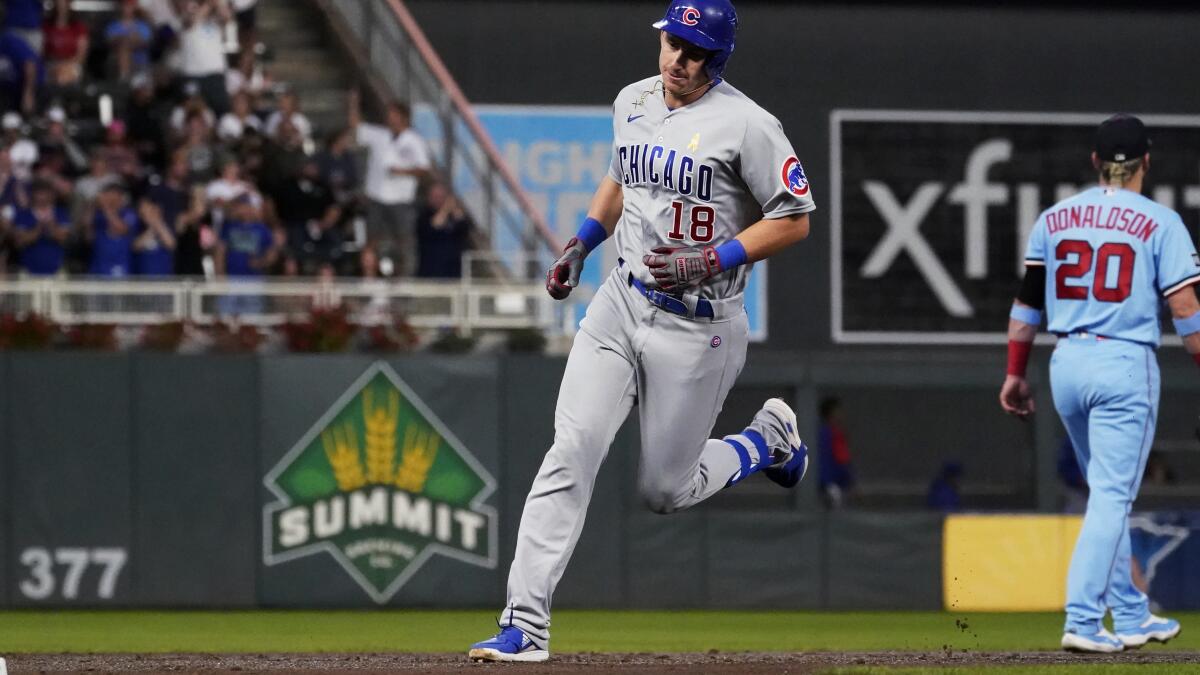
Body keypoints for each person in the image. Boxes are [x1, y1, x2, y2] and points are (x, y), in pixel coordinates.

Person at [468, 1, 813, 663]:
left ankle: (765, 439)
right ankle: (524, 623)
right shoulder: (632, 100)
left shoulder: (748, 124)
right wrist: (581, 243)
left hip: (698, 327)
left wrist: (712, 258)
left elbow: (794, 218)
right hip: (620, 303)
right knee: (571, 448)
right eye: (672, 44)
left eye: (693, 51)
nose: (677, 60)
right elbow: (621, 179)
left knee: (664, 491)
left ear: (717, 59)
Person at [1000, 114, 1194, 653]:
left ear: (1094, 162)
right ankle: (1083, 621)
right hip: (1124, 363)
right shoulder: (1160, 222)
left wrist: (1017, 370)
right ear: (1146, 163)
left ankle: (1130, 615)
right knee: (1111, 497)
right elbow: (1185, 308)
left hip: (1067, 362)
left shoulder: (1055, 217)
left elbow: (1026, 307)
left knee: (1106, 497)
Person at [347, 89, 430, 277]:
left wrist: (402, 171)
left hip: (400, 200)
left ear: (403, 117)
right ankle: (369, 279)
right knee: (371, 241)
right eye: (388, 114)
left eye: (393, 114)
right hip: (376, 197)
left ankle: (404, 283)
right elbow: (356, 127)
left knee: (404, 242)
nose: (389, 118)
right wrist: (353, 104)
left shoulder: (414, 141)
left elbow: (424, 169)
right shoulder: (380, 135)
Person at [178, 0, 232, 116]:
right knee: (191, 114)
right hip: (193, 74)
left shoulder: (214, 15)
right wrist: (209, 4)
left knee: (222, 113)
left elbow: (227, 17)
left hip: (215, 74)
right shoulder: (188, 8)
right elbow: (190, 21)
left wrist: (217, 4)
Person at [11, 180, 71, 276]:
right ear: (33, 195)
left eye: (46, 194)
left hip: (56, 269)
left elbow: (63, 239)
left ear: (52, 195)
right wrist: (38, 228)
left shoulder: (61, 213)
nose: (42, 198)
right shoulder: (23, 214)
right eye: (39, 194)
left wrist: (51, 226)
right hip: (28, 269)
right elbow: (19, 242)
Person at [416, 182, 470, 278]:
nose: (438, 200)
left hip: (453, 270)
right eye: (435, 196)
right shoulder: (424, 215)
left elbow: (464, 227)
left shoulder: (453, 215)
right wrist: (445, 209)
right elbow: (433, 227)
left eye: (441, 197)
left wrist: (455, 209)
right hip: (431, 270)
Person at [85, 181, 139, 277]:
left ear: (120, 197)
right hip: (97, 267)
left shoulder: (128, 213)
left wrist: (106, 207)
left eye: (112, 194)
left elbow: (121, 229)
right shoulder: (98, 214)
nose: (107, 197)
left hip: (119, 267)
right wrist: (92, 206)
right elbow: (87, 233)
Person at [817, 396, 855, 508]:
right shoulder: (833, 434)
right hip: (833, 484)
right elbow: (842, 459)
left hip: (827, 483)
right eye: (838, 411)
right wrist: (850, 480)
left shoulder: (821, 433)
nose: (841, 414)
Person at [42, 0, 89, 87]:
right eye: (59, 2)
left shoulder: (79, 27)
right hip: (51, 64)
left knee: (64, 76)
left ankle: (63, 99)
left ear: (69, 4)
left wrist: (66, 65)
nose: (62, 5)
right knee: (55, 74)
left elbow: (81, 55)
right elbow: (42, 52)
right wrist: (57, 65)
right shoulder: (46, 27)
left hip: (72, 64)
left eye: (64, 2)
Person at [104, 0, 152, 81]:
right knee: (123, 48)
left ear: (135, 8)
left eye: (130, 6)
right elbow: (110, 42)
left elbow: (145, 43)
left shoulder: (142, 26)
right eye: (125, 5)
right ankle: (124, 79)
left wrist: (130, 40)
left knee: (125, 45)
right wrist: (126, 40)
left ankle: (127, 78)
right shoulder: (113, 26)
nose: (127, 8)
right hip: (117, 63)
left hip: (139, 62)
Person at [0, 29, 41, 116]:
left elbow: (30, 66)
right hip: (8, 88)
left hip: (32, 84)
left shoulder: (9, 41)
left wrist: (28, 94)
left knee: (27, 110)